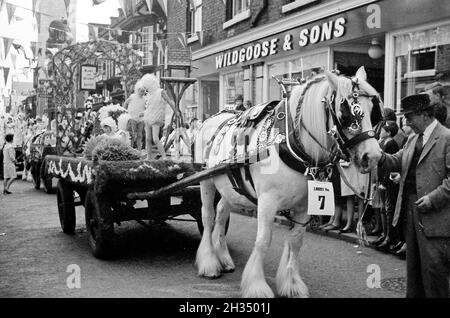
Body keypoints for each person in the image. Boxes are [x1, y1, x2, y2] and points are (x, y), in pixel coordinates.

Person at [378, 93, 450, 298]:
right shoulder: (411, 139)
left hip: (436, 216)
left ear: (425, 115)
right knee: (415, 271)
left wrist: (433, 198)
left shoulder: (446, 138)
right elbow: (396, 160)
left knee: (435, 272)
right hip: (411, 211)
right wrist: (377, 155)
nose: (406, 122)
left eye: (410, 117)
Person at [374, 121, 400, 252]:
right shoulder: (383, 142)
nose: (381, 131)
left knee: (388, 209)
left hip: (387, 182)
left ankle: (389, 236)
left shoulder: (390, 143)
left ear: (389, 132)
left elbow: (389, 165)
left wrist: (384, 182)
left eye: (383, 130)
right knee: (383, 209)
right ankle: (385, 234)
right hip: (381, 180)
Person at [140, 74, 180, 160]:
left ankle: (164, 156)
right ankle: (148, 156)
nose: (146, 88)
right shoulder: (148, 94)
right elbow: (148, 106)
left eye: (146, 86)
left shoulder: (160, 92)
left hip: (156, 117)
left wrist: (176, 111)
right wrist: (143, 113)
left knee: (155, 139)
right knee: (148, 138)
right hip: (148, 116)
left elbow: (170, 101)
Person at [123, 81, 146, 150]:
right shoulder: (132, 96)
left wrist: (144, 113)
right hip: (132, 118)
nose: (143, 93)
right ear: (138, 90)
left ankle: (139, 150)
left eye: (144, 91)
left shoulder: (145, 99)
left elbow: (147, 108)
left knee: (139, 135)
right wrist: (124, 111)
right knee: (132, 134)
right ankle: (130, 149)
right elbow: (125, 103)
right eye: (141, 91)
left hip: (141, 119)